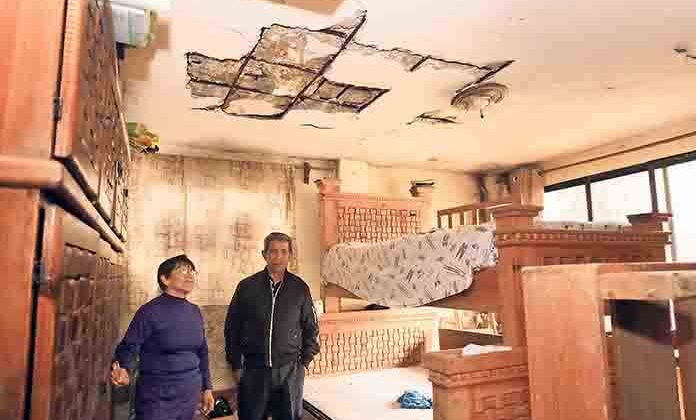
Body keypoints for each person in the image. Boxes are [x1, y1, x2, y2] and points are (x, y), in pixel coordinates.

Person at [225, 232, 320, 420]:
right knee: (251, 416)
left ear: (290, 255)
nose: (278, 257)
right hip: (254, 369)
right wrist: (236, 364)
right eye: (273, 251)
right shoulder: (247, 287)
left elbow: (311, 327)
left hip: (290, 370)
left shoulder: (300, 288)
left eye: (284, 252)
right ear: (264, 254)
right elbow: (232, 328)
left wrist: (304, 362)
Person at [111, 254, 215, 420]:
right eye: (182, 270)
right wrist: (123, 369)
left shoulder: (195, 311)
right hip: (157, 396)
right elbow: (129, 345)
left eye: (191, 271)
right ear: (165, 279)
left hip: (189, 394)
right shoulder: (150, 311)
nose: (189, 275)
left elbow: (202, 352)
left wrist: (207, 388)